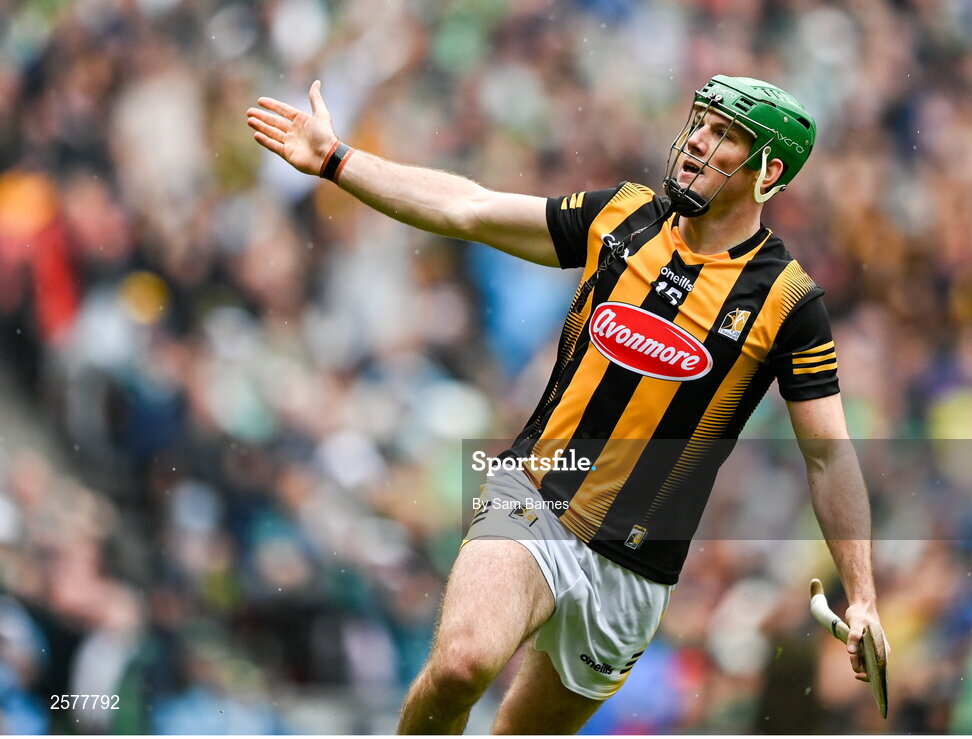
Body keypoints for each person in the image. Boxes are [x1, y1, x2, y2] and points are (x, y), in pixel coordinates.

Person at [247, 74, 888, 734]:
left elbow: (827, 458)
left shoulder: (787, 301)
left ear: (769, 169)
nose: (697, 142)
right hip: (536, 497)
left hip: (636, 569)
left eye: (724, 135)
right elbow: (468, 207)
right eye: (699, 123)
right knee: (461, 665)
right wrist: (335, 159)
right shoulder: (622, 217)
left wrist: (863, 594)